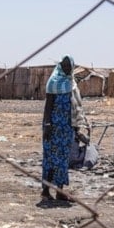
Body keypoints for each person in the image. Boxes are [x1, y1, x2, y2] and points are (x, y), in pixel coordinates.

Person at [41, 55, 89, 203]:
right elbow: (48, 106)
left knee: (62, 161)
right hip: (53, 127)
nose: (67, 69)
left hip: (66, 128)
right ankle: (45, 191)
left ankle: (60, 192)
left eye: (70, 67)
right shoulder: (53, 83)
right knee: (50, 159)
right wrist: (47, 126)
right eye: (65, 66)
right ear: (61, 66)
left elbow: (75, 108)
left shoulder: (71, 84)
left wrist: (77, 129)